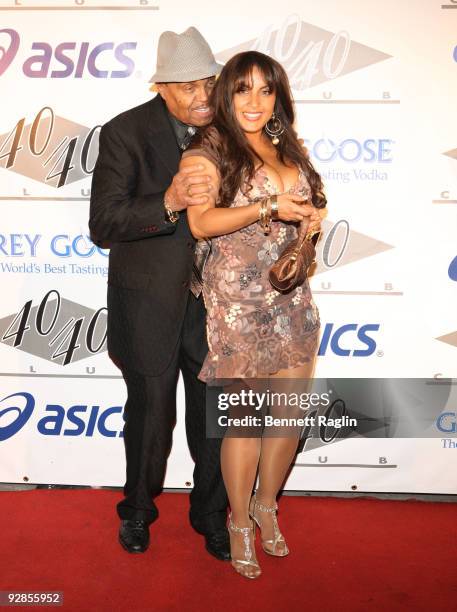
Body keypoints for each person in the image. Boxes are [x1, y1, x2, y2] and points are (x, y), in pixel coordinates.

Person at [180, 50, 326, 579]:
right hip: (239, 307)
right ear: (227, 94)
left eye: (266, 90)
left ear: (278, 97)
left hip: (293, 302)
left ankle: (268, 505)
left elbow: (307, 203)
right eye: (244, 89)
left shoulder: (286, 142)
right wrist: (269, 208)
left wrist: (308, 222)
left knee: (286, 415)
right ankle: (239, 521)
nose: (255, 101)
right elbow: (200, 223)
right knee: (244, 423)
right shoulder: (208, 149)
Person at [89, 27, 230, 561]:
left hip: (217, 304)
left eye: (210, 83)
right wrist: (167, 201)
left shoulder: (231, 132)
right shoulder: (126, 132)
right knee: (150, 418)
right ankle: (138, 511)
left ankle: (211, 516)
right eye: (189, 86)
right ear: (162, 87)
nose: (202, 97)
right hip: (147, 302)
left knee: (214, 418)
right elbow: (103, 222)